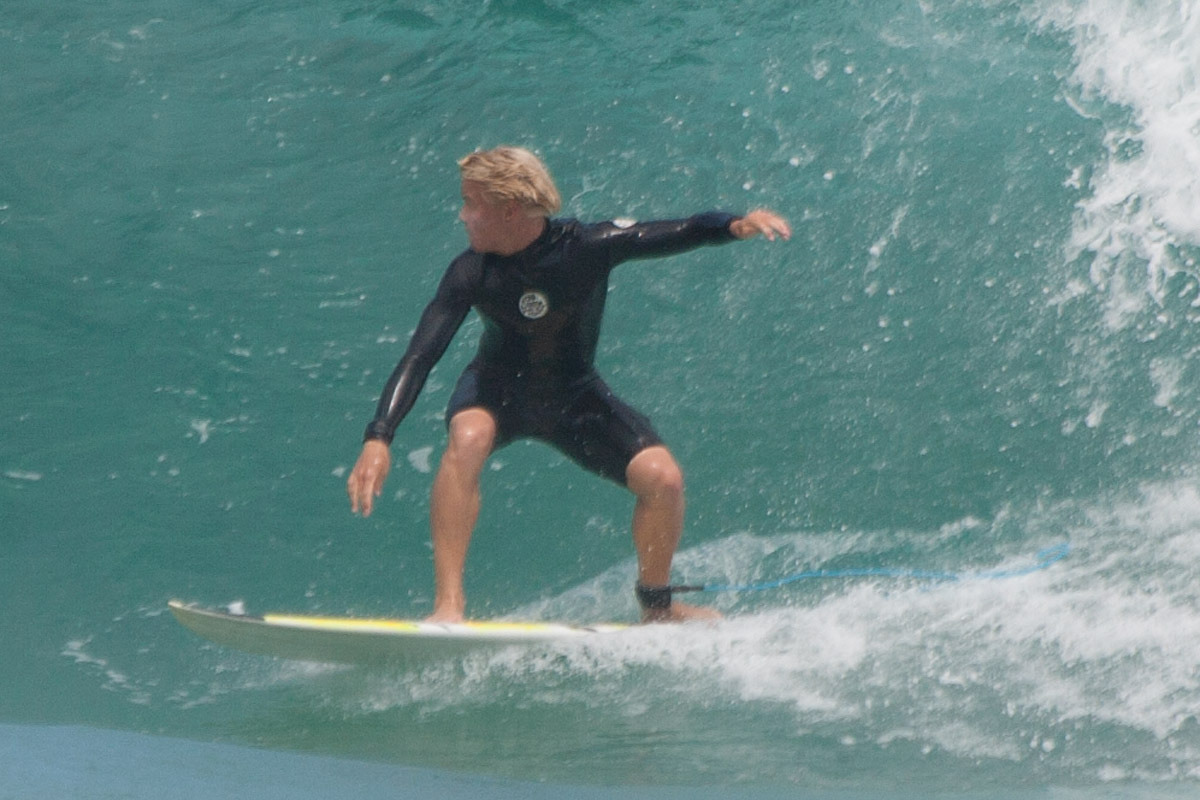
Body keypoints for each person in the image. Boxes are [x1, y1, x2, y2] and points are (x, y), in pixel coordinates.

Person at [347, 146, 790, 623]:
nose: (463, 215)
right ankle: (449, 607)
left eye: (472, 203)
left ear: (509, 210)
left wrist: (733, 225)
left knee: (664, 480)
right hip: (496, 392)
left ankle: (659, 608)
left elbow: (672, 231)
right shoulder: (470, 272)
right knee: (467, 437)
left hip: (573, 396)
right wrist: (379, 435)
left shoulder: (585, 247)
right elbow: (421, 354)